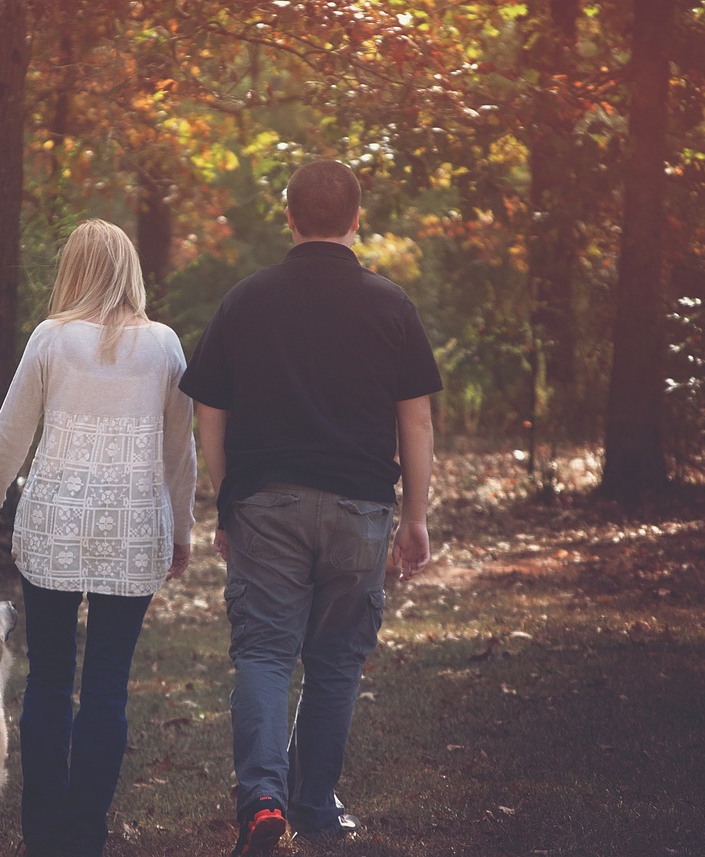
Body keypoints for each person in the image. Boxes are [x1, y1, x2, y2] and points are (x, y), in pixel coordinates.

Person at [179, 160, 442, 857]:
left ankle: (263, 801)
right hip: (361, 508)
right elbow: (415, 421)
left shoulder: (246, 299)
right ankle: (315, 804)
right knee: (335, 662)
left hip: (267, 501)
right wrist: (415, 515)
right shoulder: (391, 304)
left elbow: (209, 405)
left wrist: (226, 493)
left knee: (264, 654)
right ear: (357, 220)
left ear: (289, 219)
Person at [0, 218, 197, 857]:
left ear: (73, 270)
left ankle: (43, 834)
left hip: (52, 529)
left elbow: (10, 432)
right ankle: (84, 832)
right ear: (130, 271)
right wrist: (180, 530)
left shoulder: (51, 339)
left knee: (47, 680)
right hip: (132, 532)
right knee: (106, 684)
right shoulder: (165, 347)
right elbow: (180, 454)